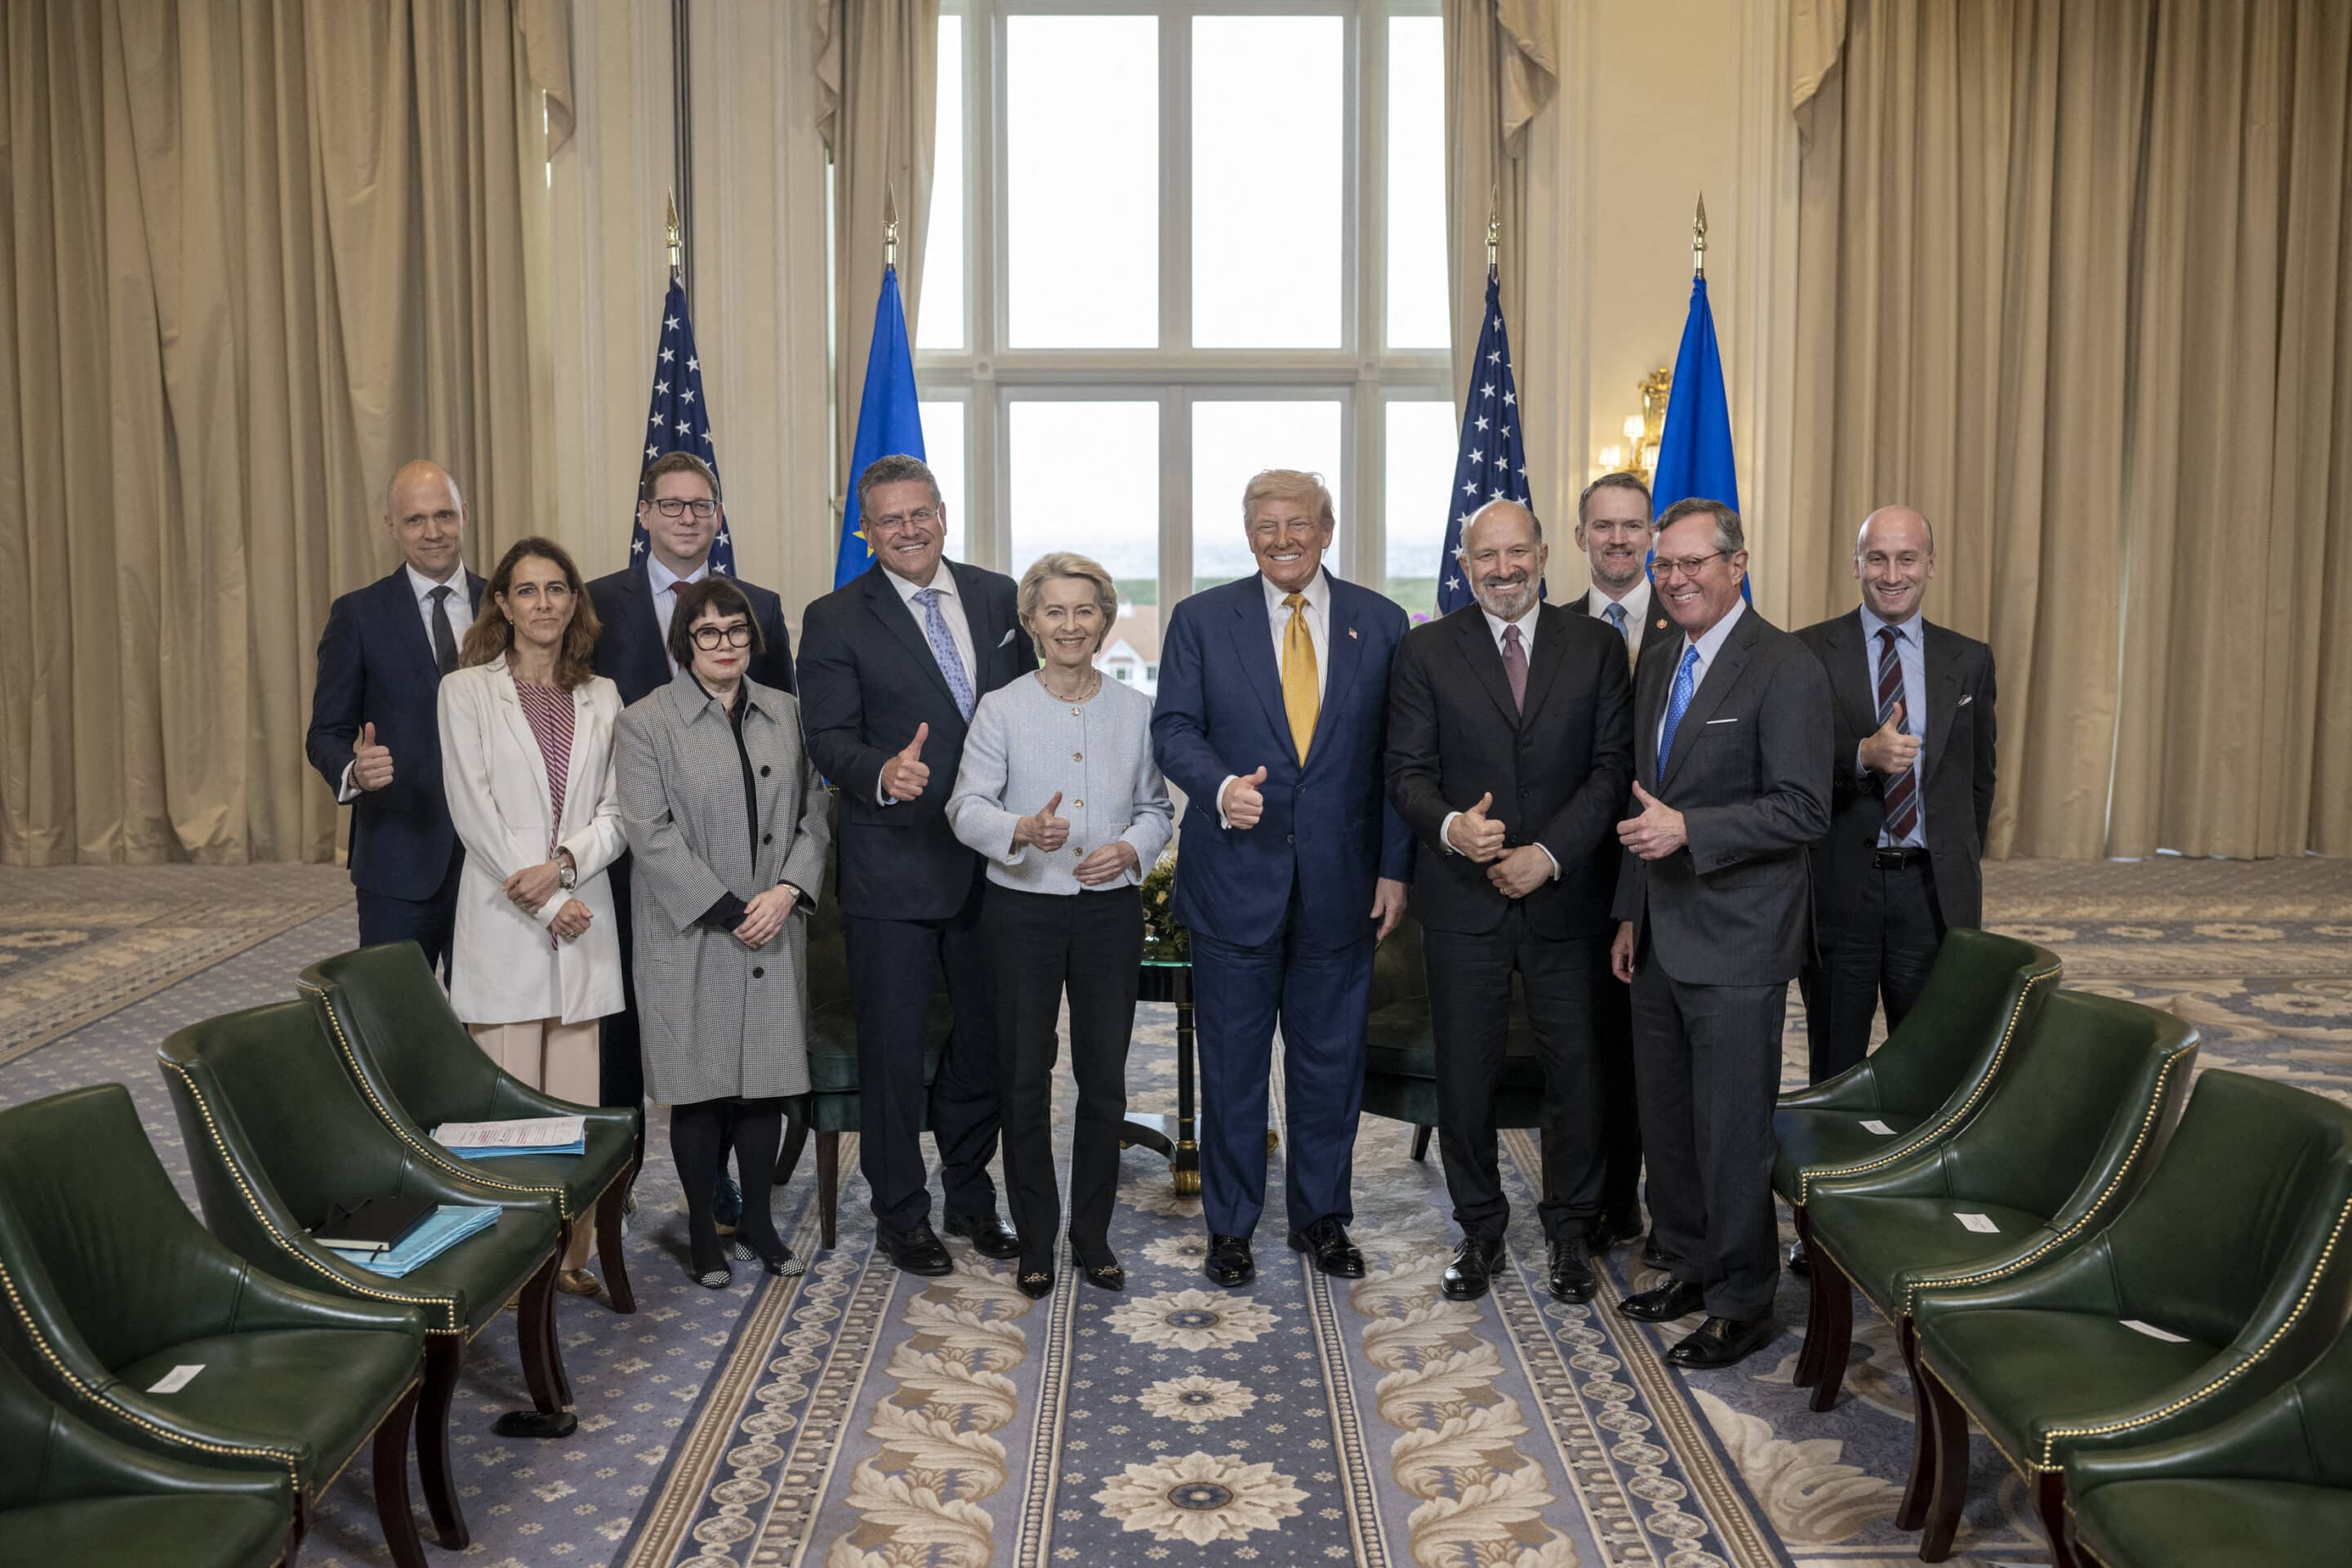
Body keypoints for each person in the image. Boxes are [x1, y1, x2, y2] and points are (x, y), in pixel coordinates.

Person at [1152, 469, 1413, 1290]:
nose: (1282, 539)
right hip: (1235, 879)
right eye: (1265, 525)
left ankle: (1321, 1219)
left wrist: (1395, 868)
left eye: (1297, 523)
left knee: (1329, 1066)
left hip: (1343, 885)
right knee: (1232, 1068)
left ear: (1326, 531)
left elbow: (1401, 758)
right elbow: (1173, 728)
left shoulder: (1383, 621)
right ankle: (1231, 1228)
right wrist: (1219, 787)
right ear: (1249, 535)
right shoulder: (1201, 620)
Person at [1386, 500, 1633, 1303]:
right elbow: (1406, 773)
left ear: (1544, 554)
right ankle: (1480, 1229)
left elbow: (1611, 771)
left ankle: (1570, 1232)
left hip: (1569, 900)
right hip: (1464, 901)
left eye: (1516, 552)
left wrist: (1548, 855)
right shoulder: (1425, 650)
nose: (1503, 569)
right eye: (1486, 556)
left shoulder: (1596, 646)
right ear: (1465, 566)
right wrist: (1453, 828)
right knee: (1466, 1074)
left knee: (1577, 1073)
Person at [1609, 498, 1831, 1370]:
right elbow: (1645, 798)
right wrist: (1630, 910)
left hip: (1741, 939)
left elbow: (1804, 808)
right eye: (1664, 565)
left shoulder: (1786, 666)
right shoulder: (1662, 655)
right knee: (1669, 1121)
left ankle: (1743, 1299)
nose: (1675, 580)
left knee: (1732, 1128)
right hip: (1659, 932)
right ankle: (1692, 1264)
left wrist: (1692, 831)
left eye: (1692, 563)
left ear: (1737, 566)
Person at [797, 454, 1030, 1276]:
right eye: (889, 519)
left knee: (987, 1043)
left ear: (942, 513)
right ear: (868, 531)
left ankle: (970, 1196)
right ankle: (901, 1213)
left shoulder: (1000, 597)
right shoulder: (834, 617)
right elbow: (826, 737)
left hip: (995, 868)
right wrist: (879, 773)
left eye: (919, 513)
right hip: (894, 865)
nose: (908, 529)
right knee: (892, 1053)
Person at [946, 553, 1173, 1299]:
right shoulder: (1001, 708)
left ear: (1104, 622)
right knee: (1024, 1080)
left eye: (1084, 611)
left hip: (1109, 914)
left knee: (1105, 1080)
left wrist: (1131, 848)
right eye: (1055, 612)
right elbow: (964, 808)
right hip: (1021, 912)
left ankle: (1092, 1236)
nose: (1070, 625)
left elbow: (1157, 809)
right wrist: (1018, 828)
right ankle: (1037, 1239)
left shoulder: (1136, 710)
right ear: (1032, 624)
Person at [588, 452, 796, 1227]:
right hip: (625, 850)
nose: (686, 517)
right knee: (629, 1028)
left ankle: (714, 1185)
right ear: (644, 514)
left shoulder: (758, 605)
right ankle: (620, 1183)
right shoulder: (595, 602)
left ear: (718, 515)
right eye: (671, 504)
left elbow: (783, 732)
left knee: (723, 1031)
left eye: (700, 504)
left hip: (733, 869)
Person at [614, 577, 831, 1289]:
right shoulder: (645, 721)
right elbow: (649, 833)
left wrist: (788, 891)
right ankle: (705, 1233)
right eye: (707, 632)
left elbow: (815, 813)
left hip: (774, 922)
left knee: (763, 1084)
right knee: (701, 1088)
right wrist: (732, 909)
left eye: (737, 630)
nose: (725, 644)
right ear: (685, 642)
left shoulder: (787, 712)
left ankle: (760, 1224)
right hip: (692, 932)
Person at [438, 537, 628, 1297]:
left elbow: (619, 811)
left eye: (556, 589)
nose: (543, 603)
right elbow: (474, 814)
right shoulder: (465, 692)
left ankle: (569, 1261)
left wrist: (568, 868)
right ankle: (510, 1271)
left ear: (575, 602)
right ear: (503, 605)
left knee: (574, 1114)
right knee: (509, 1119)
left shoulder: (604, 695)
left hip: (583, 918)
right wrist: (549, 900)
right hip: (509, 920)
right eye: (527, 590)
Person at [1795, 508, 1998, 1076]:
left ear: (1930, 564)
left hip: (1932, 895)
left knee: (1930, 1066)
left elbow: (1979, 778)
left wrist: (1956, 862)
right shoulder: (1806, 651)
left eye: (1907, 559)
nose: (1891, 575)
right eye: (1877, 559)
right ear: (1856, 564)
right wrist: (1862, 756)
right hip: (1842, 893)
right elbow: (1790, 771)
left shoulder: (1970, 659)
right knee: (1835, 1066)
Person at [305, 460, 486, 978]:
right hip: (399, 861)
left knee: (491, 1017)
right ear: (391, 526)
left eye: (444, 515)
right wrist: (354, 772)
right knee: (395, 1013)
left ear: (464, 514)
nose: (433, 532)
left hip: (494, 862)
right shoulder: (358, 615)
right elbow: (326, 733)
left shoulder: (505, 605)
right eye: (415, 520)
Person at [1561, 471, 1666, 1260]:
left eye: (1633, 526)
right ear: (1580, 537)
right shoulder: (1553, 628)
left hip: (1670, 872)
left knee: (1658, 1053)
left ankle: (1671, 1209)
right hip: (1576, 874)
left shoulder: (1692, 619)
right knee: (1593, 1049)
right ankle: (1604, 1200)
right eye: (1604, 526)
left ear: (1652, 535)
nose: (1619, 539)